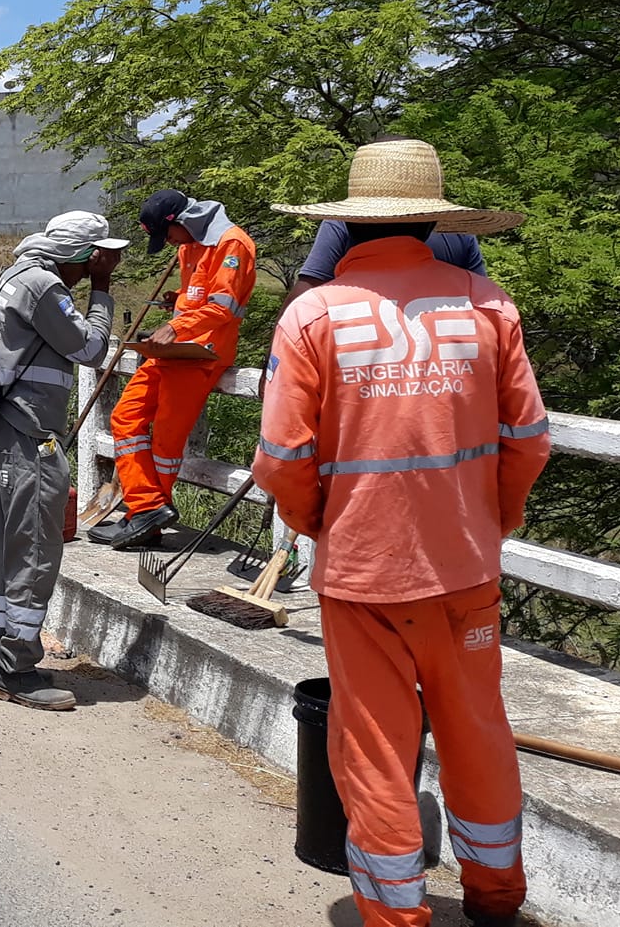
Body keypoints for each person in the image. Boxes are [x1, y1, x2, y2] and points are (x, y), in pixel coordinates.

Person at [251, 138, 546, 927]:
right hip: (467, 570)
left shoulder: (313, 315)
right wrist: (491, 520)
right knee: (478, 731)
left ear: (346, 227)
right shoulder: (488, 303)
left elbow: (281, 458)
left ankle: (394, 913)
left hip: (363, 577)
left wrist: (321, 521)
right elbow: (529, 440)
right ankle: (496, 895)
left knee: (377, 747)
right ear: (434, 219)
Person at [0, 211, 128, 711]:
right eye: (97, 257)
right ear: (83, 255)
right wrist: (101, 290)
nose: (100, 263)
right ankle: (15, 669)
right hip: (30, 433)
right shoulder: (43, 286)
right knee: (36, 548)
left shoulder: (15, 275)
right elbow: (89, 347)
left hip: (10, 430)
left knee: (11, 544)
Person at [87, 189, 257, 549]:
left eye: (167, 235)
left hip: (202, 354)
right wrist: (177, 303)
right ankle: (147, 508)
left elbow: (224, 307)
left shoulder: (233, 244)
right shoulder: (187, 247)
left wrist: (177, 327)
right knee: (125, 417)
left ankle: (146, 521)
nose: (168, 244)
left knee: (166, 438)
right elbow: (197, 297)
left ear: (181, 222)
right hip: (173, 350)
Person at [288, 216, 487, 304]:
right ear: (431, 223)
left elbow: (306, 292)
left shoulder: (339, 225)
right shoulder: (460, 235)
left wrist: (271, 366)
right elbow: (483, 302)